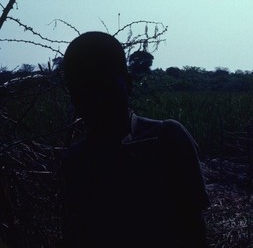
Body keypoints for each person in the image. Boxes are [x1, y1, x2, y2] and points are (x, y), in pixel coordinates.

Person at [60, 32, 210, 247]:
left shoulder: (167, 139)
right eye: (85, 90)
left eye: (104, 86)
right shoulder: (76, 160)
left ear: (128, 85)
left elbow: (194, 228)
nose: (97, 100)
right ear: (74, 98)